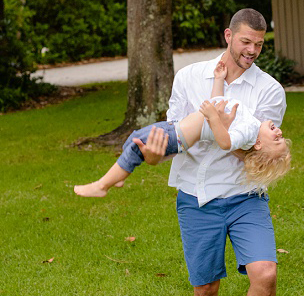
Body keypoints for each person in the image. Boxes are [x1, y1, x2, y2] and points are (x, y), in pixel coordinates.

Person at [134, 8, 287, 296]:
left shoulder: (269, 90)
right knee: (205, 288)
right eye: (246, 42)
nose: (252, 50)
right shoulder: (189, 77)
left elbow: (260, 153)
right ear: (228, 36)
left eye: (259, 44)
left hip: (244, 193)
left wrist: (222, 133)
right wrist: (157, 154)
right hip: (196, 194)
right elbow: (175, 134)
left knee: (265, 274)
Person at [73, 60, 291, 199]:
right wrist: (218, 80)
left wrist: (213, 118)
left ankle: (103, 185)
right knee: (134, 141)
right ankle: (120, 175)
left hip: (177, 137)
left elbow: (224, 142)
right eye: (280, 136)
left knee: (136, 145)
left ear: (260, 144)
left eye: (277, 140)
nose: (280, 132)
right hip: (175, 130)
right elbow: (219, 101)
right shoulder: (251, 124)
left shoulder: (247, 134)